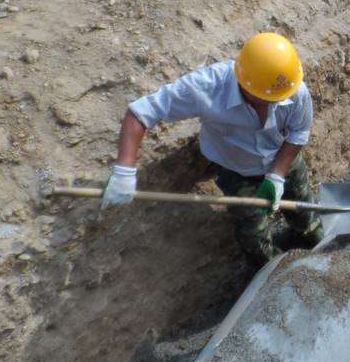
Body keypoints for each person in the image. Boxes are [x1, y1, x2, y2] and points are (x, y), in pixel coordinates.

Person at [102, 32, 321, 267]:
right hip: (236, 172)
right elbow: (140, 113)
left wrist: (277, 175)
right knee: (254, 239)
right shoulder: (208, 87)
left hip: (283, 161)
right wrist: (124, 170)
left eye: (280, 97)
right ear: (244, 84)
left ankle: (317, 245)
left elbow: (298, 133)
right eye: (266, 98)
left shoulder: (291, 88)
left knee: (306, 213)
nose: (275, 103)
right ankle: (276, 275)